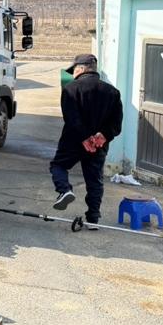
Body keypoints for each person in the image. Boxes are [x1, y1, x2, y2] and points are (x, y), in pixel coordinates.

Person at [51, 54, 123, 229]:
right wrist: (102, 136)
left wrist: (84, 138)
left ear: (82, 69)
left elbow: (71, 118)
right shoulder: (112, 92)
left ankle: (65, 190)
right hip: (99, 144)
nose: (73, 73)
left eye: (74, 69)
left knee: (58, 166)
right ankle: (93, 219)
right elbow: (116, 124)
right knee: (94, 180)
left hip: (73, 141)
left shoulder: (70, 89)